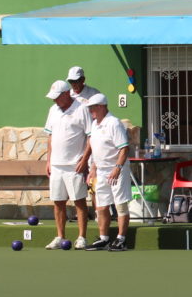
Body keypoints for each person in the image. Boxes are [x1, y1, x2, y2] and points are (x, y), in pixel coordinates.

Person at [43, 80, 93, 250]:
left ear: (66, 94)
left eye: (57, 97)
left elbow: (90, 137)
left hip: (74, 165)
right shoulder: (53, 110)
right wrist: (48, 160)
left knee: (79, 201)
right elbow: (50, 137)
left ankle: (81, 237)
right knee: (58, 201)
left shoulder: (82, 108)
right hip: (56, 165)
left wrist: (85, 160)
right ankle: (60, 236)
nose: (54, 101)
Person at [82, 93, 133, 251]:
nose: (91, 111)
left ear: (102, 106)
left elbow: (124, 148)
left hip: (117, 169)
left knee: (120, 205)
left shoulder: (114, 123)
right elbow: (96, 149)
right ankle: (104, 239)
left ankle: (121, 239)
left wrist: (117, 168)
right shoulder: (95, 125)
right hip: (101, 171)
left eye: (93, 108)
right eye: (89, 108)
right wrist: (92, 169)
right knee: (102, 206)